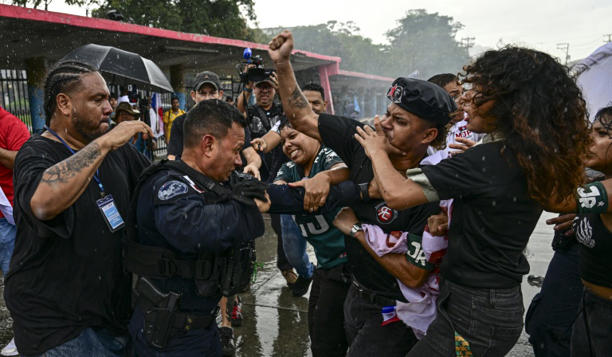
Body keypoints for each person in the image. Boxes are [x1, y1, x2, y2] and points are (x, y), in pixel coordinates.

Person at [351, 47, 591, 355]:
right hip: (490, 302)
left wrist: (377, 151)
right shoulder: (527, 157)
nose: (464, 101)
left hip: (477, 313)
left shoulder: (486, 159)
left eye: (477, 94)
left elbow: (397, 195)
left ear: (508, 103)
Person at [268, 31, 455, 356]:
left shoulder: (434, 186)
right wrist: (283, 64)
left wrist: (356, 230)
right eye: (386, 113)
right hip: (353, 290)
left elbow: (413, 274)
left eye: (398, 120)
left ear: (428, 134)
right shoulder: (363, 142)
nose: (383, 124)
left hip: (396, 310)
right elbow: (303, 117)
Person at [4, 61, 152, 355]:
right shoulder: (36, 153)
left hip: (112, 317)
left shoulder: (119, 153)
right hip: (58, 327)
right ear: (64, 104)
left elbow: (158, 185)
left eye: (108, 98)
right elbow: (43, 203)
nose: (109, 108)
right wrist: (106, 143)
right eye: (97, 100)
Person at [125, 99, 269, 356]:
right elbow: (190, 229)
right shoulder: (169, 184)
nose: (238, 160)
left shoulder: (210, 182)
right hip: (168, 335)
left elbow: (266, 196)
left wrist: (320, 186)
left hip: (201, 329)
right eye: (235, 150)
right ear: (208, 144)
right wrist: (248, 210)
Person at [269, 121, 350, 356]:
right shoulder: (289, 168)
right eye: (283, 141)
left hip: (349, 264)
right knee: (317, 331)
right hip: (325, 265)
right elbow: (276, 191)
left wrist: (323, 179)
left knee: (331, 338)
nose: (288, 144)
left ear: (315, 135)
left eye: (293, 136)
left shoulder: (327, 156)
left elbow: (343, 170)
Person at [569, 106, 612, 356]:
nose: (588, 139)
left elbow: (558, 198)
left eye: (601, 133)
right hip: (589, 305)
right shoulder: (599, 183)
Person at [166, 71, 260, 179]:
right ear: (193, 95)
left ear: (220, 94)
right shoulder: (181, 123)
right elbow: (172, 157)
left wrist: (253, 165)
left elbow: (250, 153)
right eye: (202, 93)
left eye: (212, 93)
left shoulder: (233, 122)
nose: (207, 98)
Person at [0, 106, 30, 357]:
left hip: (8, 217)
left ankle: (23, 333)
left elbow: (23, 159)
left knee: (15, 279)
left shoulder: (10, 125)